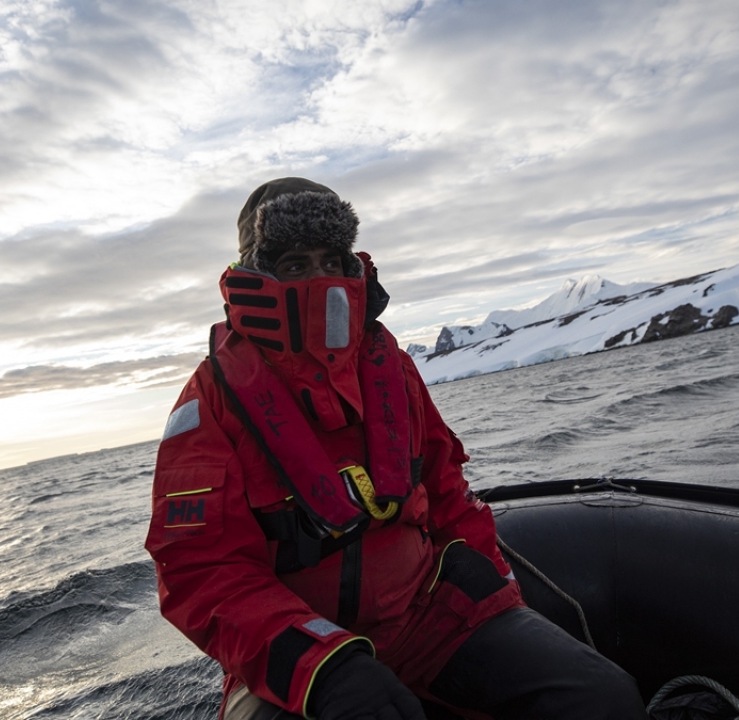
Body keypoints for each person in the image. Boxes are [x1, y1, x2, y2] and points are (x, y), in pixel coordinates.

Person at [145, 178, 648, 720]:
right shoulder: (211, 401)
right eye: (295, 264)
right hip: (290, 650)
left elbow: (449, 496)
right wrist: (324, 665)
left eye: (330, 259)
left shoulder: (393, 370)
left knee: (603, 696)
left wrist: (500, 604)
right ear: (258, 275)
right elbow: (200, 570)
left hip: (427, 618)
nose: (319, 279)